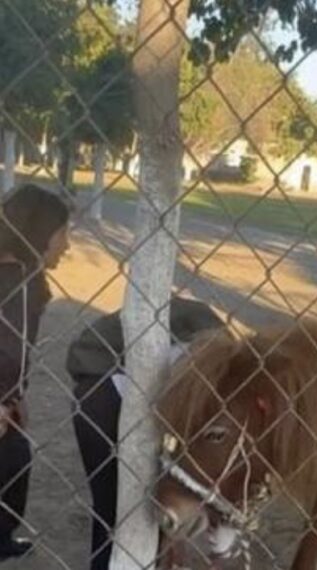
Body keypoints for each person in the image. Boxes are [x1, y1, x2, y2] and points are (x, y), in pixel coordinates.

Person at [68, 295, 226, 570]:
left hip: (95, 390)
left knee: (116, 510)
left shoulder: (215, 349)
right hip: (107, 399)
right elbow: (180, 426)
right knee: (124, 510)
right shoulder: (213, 362)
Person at [0, 184, 72, 560]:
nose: (68, 245)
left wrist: (15, 395)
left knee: (16, 459)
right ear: (40, 234)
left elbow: (15, 351)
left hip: (6, 399)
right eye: (62, 234)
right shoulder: (14, 281)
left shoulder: (29, 281)